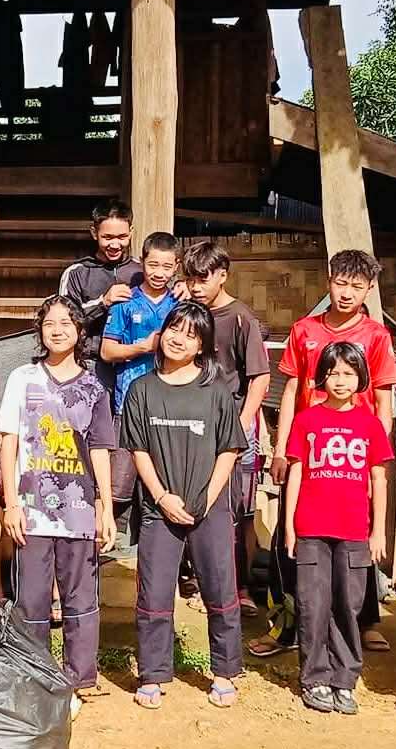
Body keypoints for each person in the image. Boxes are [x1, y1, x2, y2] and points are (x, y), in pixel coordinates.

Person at [120, 301, 245, 710]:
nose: (179, 338)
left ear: (202, 346)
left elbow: (229, 449)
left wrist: (207, 498)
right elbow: (139, 450)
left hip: (210, 507)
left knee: (220, 590)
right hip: (160, 509)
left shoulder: (217, 392)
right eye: (175, 328)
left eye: (191, 334)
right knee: (154, 593)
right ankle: (153, 674)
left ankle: (225, 671)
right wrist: (161, 496)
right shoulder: (142, 390)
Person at [273, 250, 396, 652]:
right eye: (341, 283)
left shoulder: (376, 336)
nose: (347, 294)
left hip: (354, 452)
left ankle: (365, 620)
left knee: (356, 538)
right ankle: (288, 620)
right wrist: (281, 448)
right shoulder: (304, 330)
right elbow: (292, 390)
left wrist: (374, 456)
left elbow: (383, 398)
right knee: (291, 533)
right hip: (308, 448)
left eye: (357, 286)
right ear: (328, 281)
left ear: (369, 289)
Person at [0, 295, 117, 712]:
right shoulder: (22, 378)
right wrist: (10, 503)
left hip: (79, 510)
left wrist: (105, 506)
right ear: (40, 330)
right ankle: (33, 671)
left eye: (67, 322)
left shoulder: (93, 388)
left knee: (80, 598)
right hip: (31, 510)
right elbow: (7, 441)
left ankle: (81, 675)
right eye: (49, 322)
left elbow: (101, 448)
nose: (58, 329)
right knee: (30, 599)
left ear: (80, 331)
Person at [283, 342, 393, 715]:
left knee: (349, 604)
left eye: (348, 373)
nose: (341, 380)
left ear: (361, 377)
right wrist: (289, 526)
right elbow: (295, 472)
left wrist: (378, 531)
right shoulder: (307, 419)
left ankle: (345, 679)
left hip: (354, 530)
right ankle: (314, 677)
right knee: (312, 605)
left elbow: (379, 478)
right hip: (311, 527)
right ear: (322, 378)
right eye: (333, 373)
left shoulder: (370, 424)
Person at [184, 240, 270, 614]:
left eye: (203, 279)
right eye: (190, 279)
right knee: (199, 502)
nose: (196, 286)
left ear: (222, 275)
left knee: (236, 512)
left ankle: (241, 589)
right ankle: (204, 584)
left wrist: (242, 425)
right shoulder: (190, 315)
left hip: (231, 426)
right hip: (196, 425)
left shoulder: (240, 318)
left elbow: (260, 378)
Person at [101, 231, 179, 535]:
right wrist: (143, 347)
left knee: (163, 485)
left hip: (171, 407)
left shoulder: (180, 301)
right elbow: (107, 351)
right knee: (119, 487)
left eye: (166, 267)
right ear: (141, 263)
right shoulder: (125, 301)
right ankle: (114, 552)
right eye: (153, 265)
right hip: (129, 405)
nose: (159, 273)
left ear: (176, 268)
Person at [58, 198, 144, 377]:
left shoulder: (141, 271)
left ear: (131, 232)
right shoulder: (76, 273)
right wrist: (102, 303)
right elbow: (64, 322)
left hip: (136, 362)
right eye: (107, 237)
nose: (115, 244)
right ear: (94, 233)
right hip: (90, 363)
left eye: (122, 237)